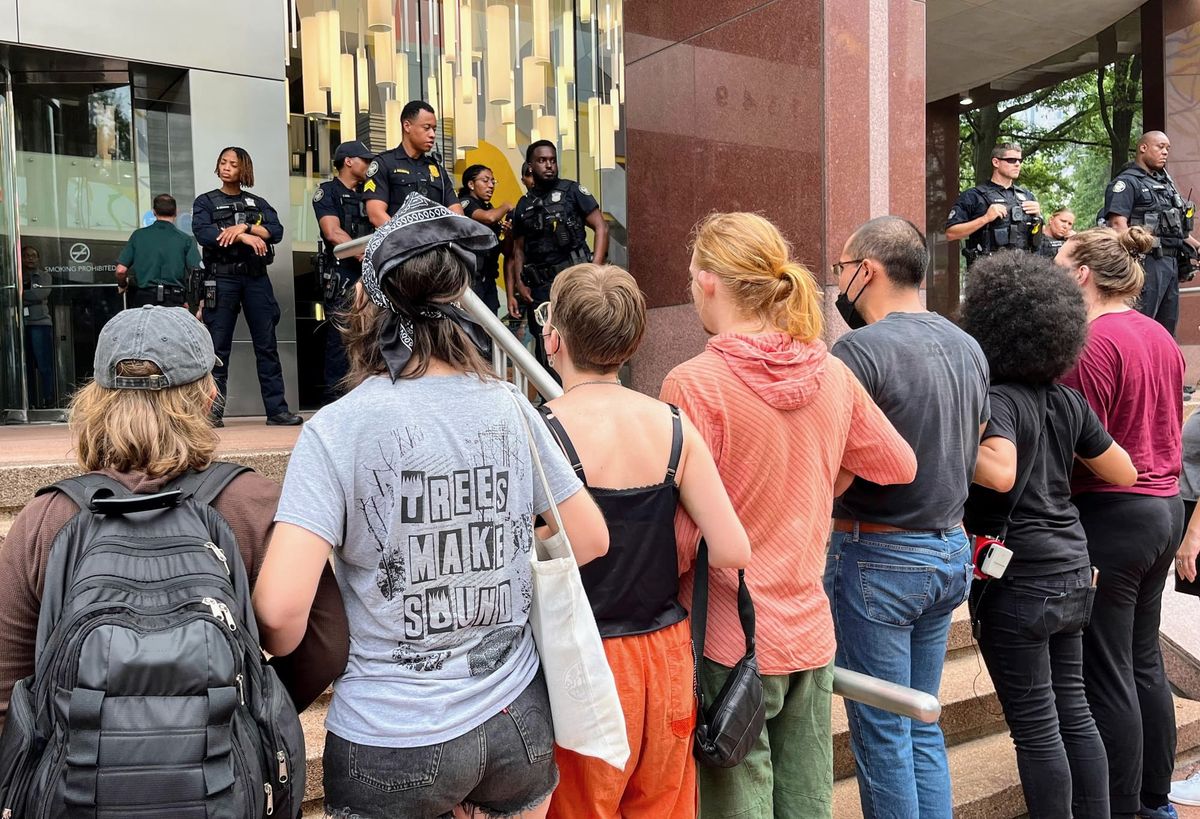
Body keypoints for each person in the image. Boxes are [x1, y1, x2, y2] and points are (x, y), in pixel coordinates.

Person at [251, 194, 609, 819]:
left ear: (369, 308)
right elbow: (591, 537)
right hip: (516, 721)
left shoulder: (339, 429)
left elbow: (280, 614)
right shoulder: (509, 406)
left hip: (392, 739)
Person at [661, 212, 918, 818]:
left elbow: (681, 531)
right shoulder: (831, 371)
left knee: (735, 804)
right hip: (809, 630)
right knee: (807, 803)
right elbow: (898, 463)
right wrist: (818, 482)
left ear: (708, 282)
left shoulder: (695, 383)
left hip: (729, 634)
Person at [0, 305, 348, 731]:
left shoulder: (48, 517)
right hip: (221, 779)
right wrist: (249, 720)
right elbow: (327, 644)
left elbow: (7, 676)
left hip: (77, 784)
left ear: (96, 400)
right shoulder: (252, 502)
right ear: (208, 397)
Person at [537, 263, 751, 818]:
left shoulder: (541, 430)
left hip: (581, 660)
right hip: (666, 654)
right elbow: (732, 548)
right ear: (632, 343)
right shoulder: (673, 424)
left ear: (554, 338)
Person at [961, 250, 1137, 819]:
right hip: (1071, 569)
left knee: (1036, 731)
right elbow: (1124, 471)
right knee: (1074, 714)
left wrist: (946, 443)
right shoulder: (1067, 400)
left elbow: (1001, 471)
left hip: (1019, 580)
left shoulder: (996, 400)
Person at [824, 215, 990, 819]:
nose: (840, 282)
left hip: (878, 559)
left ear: (866, 270)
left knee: (884, 731)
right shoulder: (966, 344)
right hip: (948, 550)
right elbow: (974, 444)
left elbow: (836, 464)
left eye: (841, 270)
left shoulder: (859, 351)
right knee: (921, 719)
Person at [1056, 226, 1185, 819]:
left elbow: (1083, 442)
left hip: (1112, 514)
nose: (1050, 268)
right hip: (1164, 512)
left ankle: (1127, 806)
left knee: (1106, 671)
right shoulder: (1158, 333)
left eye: (1058, 260)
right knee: (1142, 661)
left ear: (1083, 272)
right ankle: (1154, 800)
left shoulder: (1093, 342)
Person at [192, 146, 301, 427]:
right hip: (222, 278)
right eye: (223, 162)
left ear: (244, 170)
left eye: (233, 164)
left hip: (255, 279)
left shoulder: (257, 203)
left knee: (267, 346)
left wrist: (246, 229)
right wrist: (242, 238)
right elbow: (204, 233)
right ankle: (212, 413)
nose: (227, 167)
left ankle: (277, 411)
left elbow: (275, 231)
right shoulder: (205, 202)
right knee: (218, 350)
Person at [507, 140, 609, 372]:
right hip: (541, 286)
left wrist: (594, 269)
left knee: (581, 339)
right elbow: (518, 249)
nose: (549, 165)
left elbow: (601, 227)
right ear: (530, 166)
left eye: (552, 160)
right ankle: (549, 399)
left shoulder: (572, 190)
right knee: (546, 346)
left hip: (575, 279)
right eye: (542, 161)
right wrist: (520, 284)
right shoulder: (524, 205)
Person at [1100, 131, 1198, 336]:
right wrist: (1132, 264)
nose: (1165, 152)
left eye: (1167, 149)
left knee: (1165, 329)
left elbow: (1175, 231)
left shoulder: (1165, 186)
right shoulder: (1127, 183)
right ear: (1143, 148)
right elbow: (1118, 225)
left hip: (1169, 264)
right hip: (1145, 263)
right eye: (1160, 147)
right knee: (1141, 324)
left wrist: (1196, 247)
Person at [314, 140, 374, 400]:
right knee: (341, 342)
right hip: (344, 276)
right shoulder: (328, 192)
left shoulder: (370, 194)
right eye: (365, 160)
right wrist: (362, 252)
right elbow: (332, 232)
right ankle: (335, 403)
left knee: (373, 339)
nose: (369, 165)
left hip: (371, 274)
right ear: (348, 161)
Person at [363, 100, 462, 226]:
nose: (432, 135)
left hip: (436, 242)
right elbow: (376, 214)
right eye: (426, 128)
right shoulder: (384, 163)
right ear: (407, 126)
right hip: (400, 243)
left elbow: (456, 213)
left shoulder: (437, 169)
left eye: (434, 129)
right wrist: (409, 239)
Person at [946, 142, 1044, 265]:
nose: (1017, 164)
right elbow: (950, 233)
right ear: (996, 162)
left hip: (1023, 271)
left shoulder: (1027, 196)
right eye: (1011, 160)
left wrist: (1038, 217)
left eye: (1020, 160)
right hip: (987, 274)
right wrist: (985, 218)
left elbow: (1038, 239)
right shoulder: (974, 196)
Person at [115, 194, 201, 308]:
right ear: (176, 212)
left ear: (154, 212)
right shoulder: (186, 239)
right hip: (174, 299)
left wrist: (123, 285)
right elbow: (197, 273)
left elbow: (120, 271)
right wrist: (196, 303)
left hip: (144, 298)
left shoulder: (138, 236)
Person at [458, 163, 512, 316]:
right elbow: (489, 218)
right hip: (470, 281)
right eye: (485, 181)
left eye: (493, 182)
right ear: (471, 184)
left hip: (488, 280)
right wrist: (506, 206)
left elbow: (506, 251)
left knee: (490, 329)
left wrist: (507, 235)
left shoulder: (490, 207)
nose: (491, 186)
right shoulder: (465, 203)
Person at [20, 244, 54, 408]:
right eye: (27, 255)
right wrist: (26, 295)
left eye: (33, 255)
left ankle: (49, 399)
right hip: (21, 325)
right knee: (26, 365)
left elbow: (40, 294)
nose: (30, 258)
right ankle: (31, 401)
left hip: (40, 324)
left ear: (38, 258)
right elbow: (7, 297)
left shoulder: (44, 276)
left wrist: (20, 295)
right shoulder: (16, 276)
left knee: (44, 364)